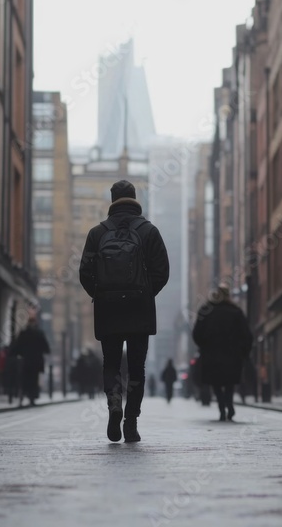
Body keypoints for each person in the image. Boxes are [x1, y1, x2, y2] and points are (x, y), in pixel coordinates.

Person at [79, 180, 170, 443]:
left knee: (111, 364)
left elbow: (85, 273)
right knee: (137, 368)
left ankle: (114, 403)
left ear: (112, 200)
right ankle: (131, 421)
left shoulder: (97, 233)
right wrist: (144, 293)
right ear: (134, 199)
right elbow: (162, 272)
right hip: (139, 309)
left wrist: (101, 294)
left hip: (108, 310)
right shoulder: (149, 231)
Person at [192, 284, 254, 421]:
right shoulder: (236, 312)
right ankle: (229, 405)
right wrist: (244, 352)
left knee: (217, 383)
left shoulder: (206, 311)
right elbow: (246, 335)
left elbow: (196, 334)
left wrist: (203, 346)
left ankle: (222, 407)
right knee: (229, 382)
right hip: (232, 355)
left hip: (211, 354)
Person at [11, 313, 51, 406]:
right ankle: (31, 397)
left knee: (25, 379)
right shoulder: (39, 333)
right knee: (33, 379)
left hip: (27, 360)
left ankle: (26, 396)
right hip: (35, 361)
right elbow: (46, 347)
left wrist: (15, 354)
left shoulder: (24, 333)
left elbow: (17, 346)